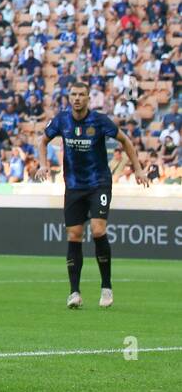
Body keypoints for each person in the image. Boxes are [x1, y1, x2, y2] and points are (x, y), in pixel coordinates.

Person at [38, 80, 149, 309]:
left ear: (88, 98)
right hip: (74, 186)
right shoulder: (61, 120)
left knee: (98, 229)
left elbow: (125, 140)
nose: (77, 98)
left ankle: (106, 287)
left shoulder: (99, 121)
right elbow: (43, 140)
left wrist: (138, 168)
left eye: (81, 94)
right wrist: (43, 165)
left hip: (99, 183)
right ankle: (74, 292)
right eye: (73, 94)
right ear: (69, 97)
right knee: (74, 235)